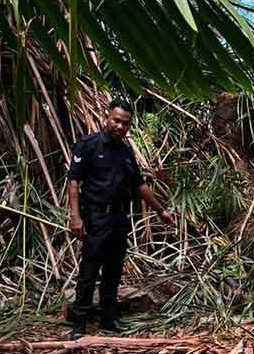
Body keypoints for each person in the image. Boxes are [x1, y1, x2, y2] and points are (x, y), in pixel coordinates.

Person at [67, 98, 175, 339]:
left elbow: (139, 185)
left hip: (119, 219)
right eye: (116, 120)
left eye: (125, 123)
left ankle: (109, 319)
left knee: (113, 271)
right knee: (89, 270)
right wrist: (75, 216)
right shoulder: (89, 145)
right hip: (96, 217)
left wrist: (160, 210)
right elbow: (74, 180)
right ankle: (79, 324)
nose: (120, 126)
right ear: (107, 117)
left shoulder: (126, 152)